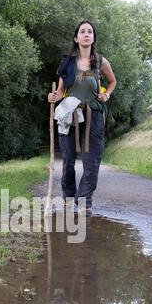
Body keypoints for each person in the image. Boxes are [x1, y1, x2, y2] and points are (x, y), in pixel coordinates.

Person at [48, 20, 117, 214]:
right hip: (70, 116)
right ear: (76, 38)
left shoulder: (101, 62)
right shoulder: (67, 62)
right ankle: (68, 197)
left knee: (92, 160)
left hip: (93, 115)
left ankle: (85, 201)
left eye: (90, 32)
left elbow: (112, 82)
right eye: (82, 32)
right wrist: (54, 97)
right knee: (68, 159)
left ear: (93, 38)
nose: (86, 34)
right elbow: (61, 91)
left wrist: (107, 95)